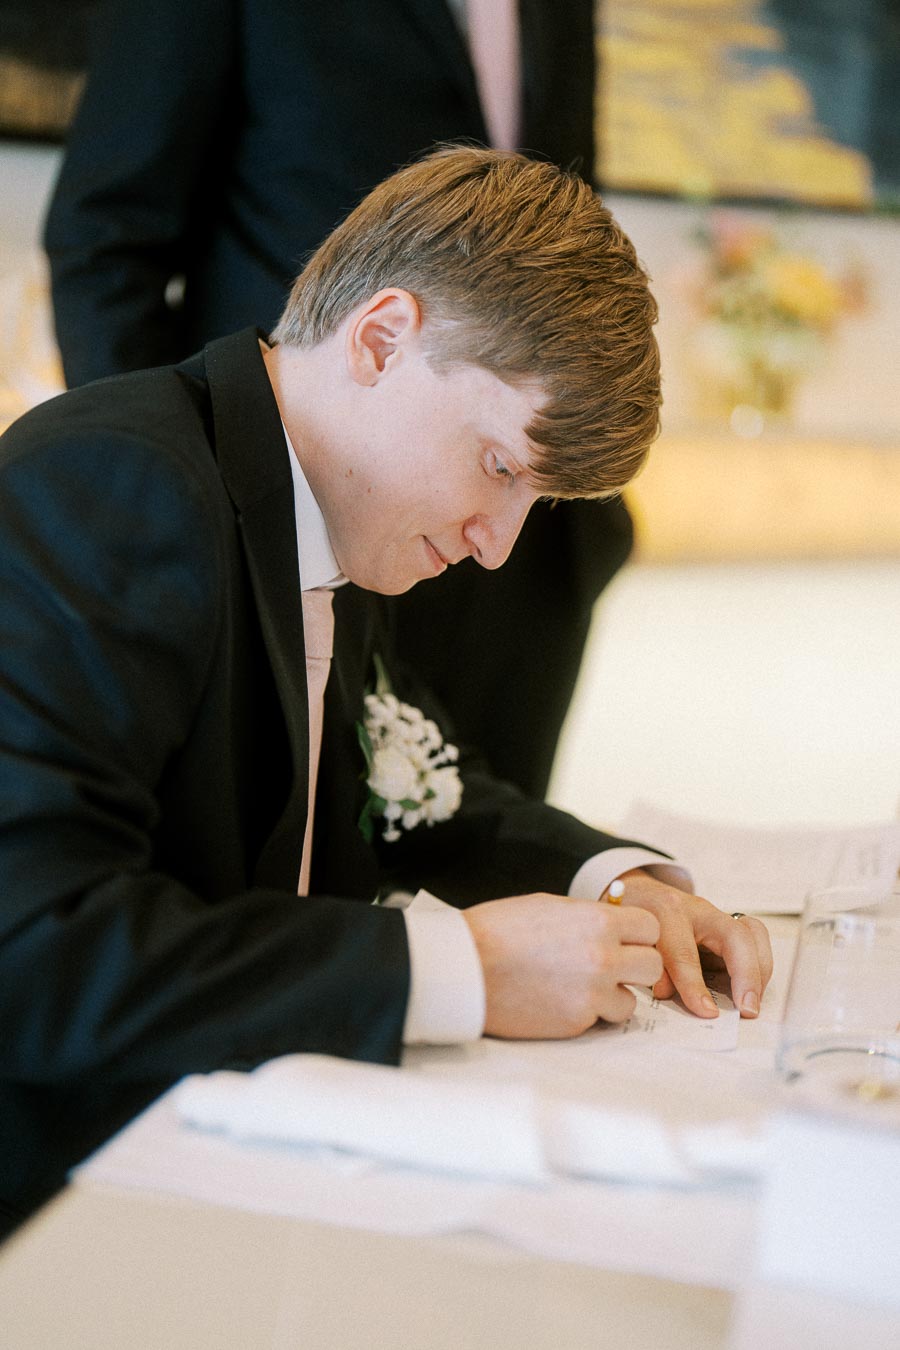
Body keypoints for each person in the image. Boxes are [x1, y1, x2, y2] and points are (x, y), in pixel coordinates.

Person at [3, 148, 772, 1236]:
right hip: (65, 1212)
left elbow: (416, 792)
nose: (497, 548)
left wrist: (611, 883)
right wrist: (458, 969)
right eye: (501, 468)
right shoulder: (116, 487)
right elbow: (34, 947)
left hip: (239, 1163)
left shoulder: (330, 514)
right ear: (380, 340)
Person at [42, 0, 632, 798]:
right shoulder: (149, 516)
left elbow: (563, 224)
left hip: (523, 573)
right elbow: (106, 236)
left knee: (463, 837)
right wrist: (173, 494)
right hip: (281, 507)